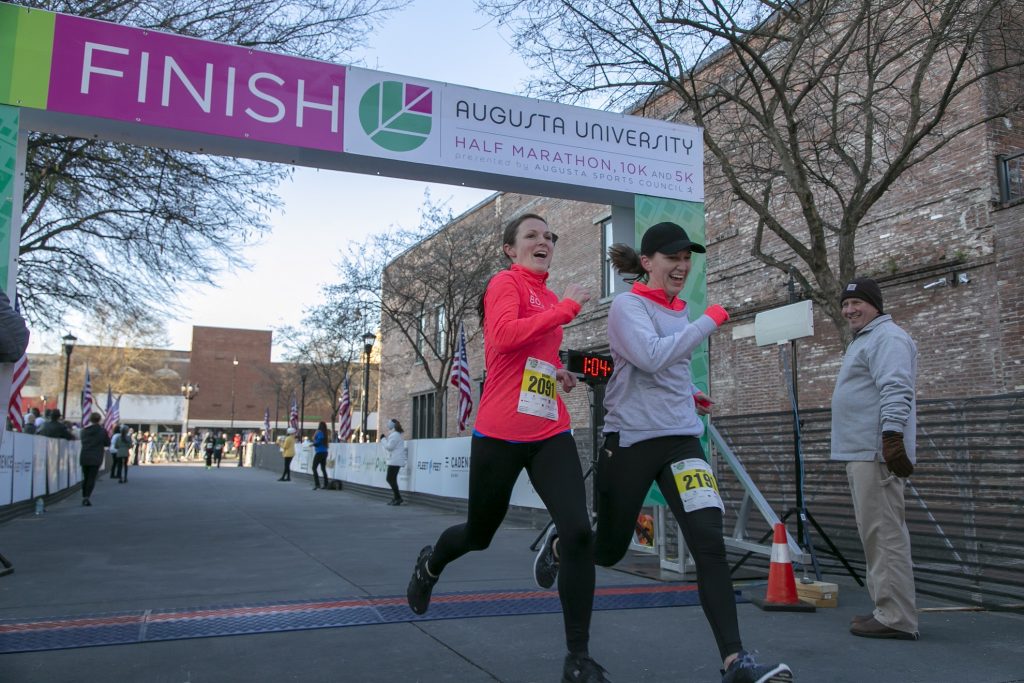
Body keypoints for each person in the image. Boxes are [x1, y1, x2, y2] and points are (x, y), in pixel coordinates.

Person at [557, 222, 792, 682]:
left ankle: (735, 661)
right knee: (606, 549)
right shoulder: (627, 306)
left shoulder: (680, 309)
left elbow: (669, 369)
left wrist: (690, 392)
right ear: (647, 263)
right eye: (672, 258)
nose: (682, 266)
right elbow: (650, 357)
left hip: (682, 439)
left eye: (687, 258)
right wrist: (710, 320)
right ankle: (561, 544)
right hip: (632, 440)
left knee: (709, 543)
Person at [406, 213, 605, 682]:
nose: (544, 241)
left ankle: (578, 659)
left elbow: (535, 353)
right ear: (510, 249)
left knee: (578, 532)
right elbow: (502, 337)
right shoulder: (505, 284)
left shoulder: (550, 296)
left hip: (549, 429)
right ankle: (431, 565)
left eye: (548, 236)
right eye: (532, 235)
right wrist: (567, 311)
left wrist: (558, 371)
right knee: (479, 534)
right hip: (499, 433)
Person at [831, 277, 919, 640]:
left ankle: (895, 617)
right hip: (865, 451)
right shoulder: (868, 339)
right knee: (877, 535)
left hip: (875, 453)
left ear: (876, 305)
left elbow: (897, 386)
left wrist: (892, 437)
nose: (850, 310)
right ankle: (887, 607)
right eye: (846, 305)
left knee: (884, 535)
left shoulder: (888, 337)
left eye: (858, 303)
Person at [78, 413, 110, 506]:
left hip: (85, 455)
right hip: (96, 456)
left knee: (86, 477)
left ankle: (84, 495)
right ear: (99, 420)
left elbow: (82, 440)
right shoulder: (102, 431)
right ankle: (87, 497)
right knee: (91, 478)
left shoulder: (84, 431)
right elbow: (107, 443)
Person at [382, 419, 407, 505]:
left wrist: (383, 440)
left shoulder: (395, 435)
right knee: (392, 479)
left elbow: (389, 447)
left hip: (395, 460)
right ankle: (397, 497)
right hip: (395, 460)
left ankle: (398, 498)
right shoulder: (396, 434)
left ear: (392, 425)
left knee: (390, 479)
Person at [311, 421, 330, 490]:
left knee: (314, 467)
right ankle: (326, 484)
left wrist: (314, 444)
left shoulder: (319, 432)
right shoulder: (325, 433)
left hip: (319, 452)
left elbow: (319, 440)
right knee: (323, 468)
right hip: (324, 452)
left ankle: (317, 484)